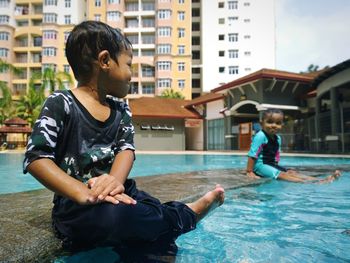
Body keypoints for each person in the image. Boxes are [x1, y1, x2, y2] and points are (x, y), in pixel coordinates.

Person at [23, 21, 225, 255]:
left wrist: (115, 183)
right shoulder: (61, 103)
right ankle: (186, 214)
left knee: (145, 206)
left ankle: (163, 237)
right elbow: (36, 158)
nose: (132, 74)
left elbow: (125, 150)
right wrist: (83, 193)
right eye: (129, 65)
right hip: (77, 208)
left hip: (123, 193)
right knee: (122, 217)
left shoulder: (121, 110)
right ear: (105, 60)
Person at [246, 108, 341, 183]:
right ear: (262, 123)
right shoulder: (260, 136)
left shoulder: (278, 138)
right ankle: (314, 183)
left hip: (270, 164)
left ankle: (318, 180)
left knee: (291, 172)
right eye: (270, 122)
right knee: (282, 175)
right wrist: (249, 171)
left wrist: (278, 166)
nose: (274, 125)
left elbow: (276, 154)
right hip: (260, 166)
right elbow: (252, 154)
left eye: (278, 123)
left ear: (282, 125)